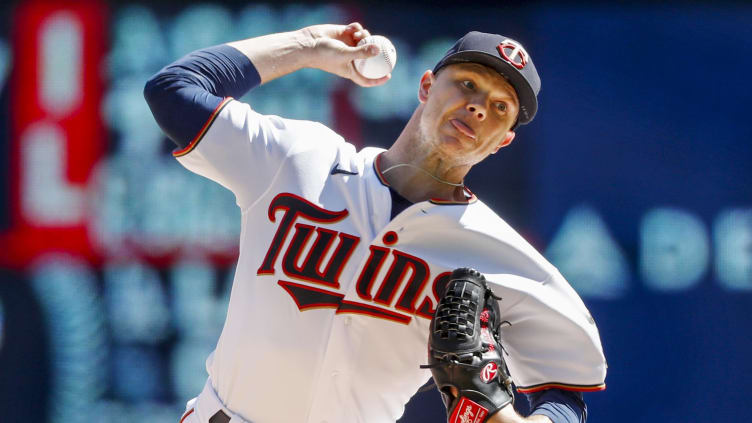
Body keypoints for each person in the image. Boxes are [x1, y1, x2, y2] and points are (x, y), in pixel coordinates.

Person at [144, 22, 606, 423]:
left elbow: (570, 384)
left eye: (500, 107)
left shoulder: (502, 256)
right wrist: (306, 45)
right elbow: (176, 90)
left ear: (503, 142)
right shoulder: (300, 158)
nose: (479, 107)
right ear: (426, 85)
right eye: (467, 84)